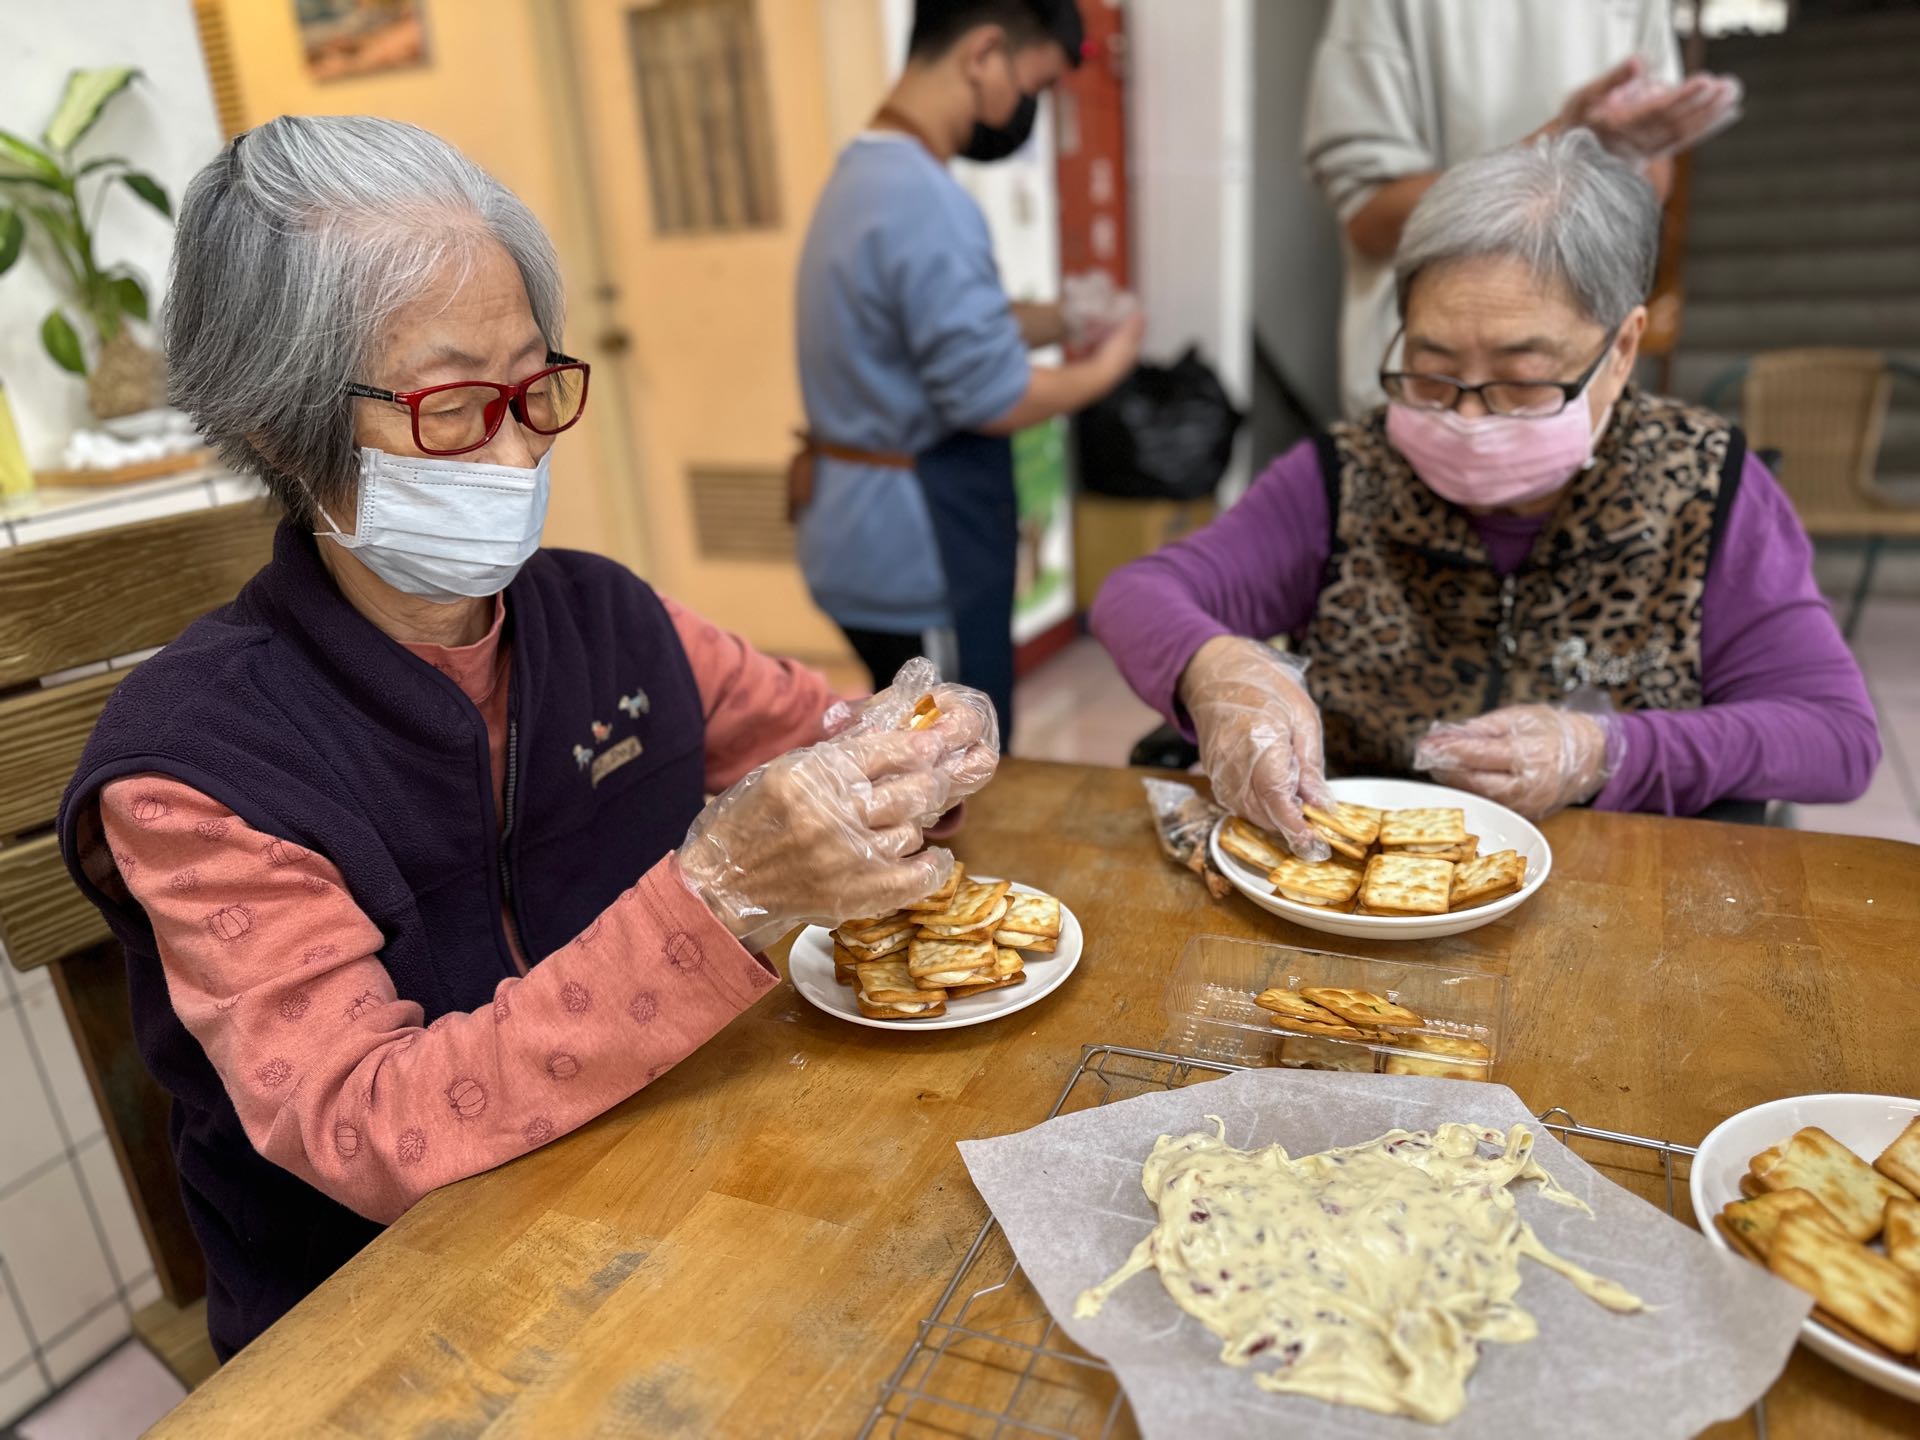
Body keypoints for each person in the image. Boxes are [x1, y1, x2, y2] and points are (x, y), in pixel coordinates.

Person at [56, 116, 999, 1360]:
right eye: (451, 407)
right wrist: (717, 895)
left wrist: (914, 749)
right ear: (285, 432)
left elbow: (821, 743)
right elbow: (372, 1127)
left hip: (664, 1194)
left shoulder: (606, 618)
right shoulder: (195, 770)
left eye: (533, 388)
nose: (514, 454)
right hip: (379, 1321)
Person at [1092, 131, 1878, 855]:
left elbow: (1835, 737)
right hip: (1367, 882)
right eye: (1431, 371)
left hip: (1628, 888)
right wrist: (1214, 667)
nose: (1467, 416)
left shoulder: (1707, 487)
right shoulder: (1348, 474)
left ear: (1622, 348)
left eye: (1521, 381)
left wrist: (1607, 750)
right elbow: (1139, 592)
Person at [791, 0, 1143, 739]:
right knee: (958, 772)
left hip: (854, 530)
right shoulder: (928, 200)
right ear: (983, 55)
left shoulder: (864, 174)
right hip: (917, 553)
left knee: (908, 763)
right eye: (1035, 86)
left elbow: (932, 331)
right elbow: (995, 394)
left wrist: (1062, 317)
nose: (1028, 112)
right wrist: (1109, 366)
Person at [1303, 0, 1742, 416]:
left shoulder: (1713, 481)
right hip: (1421, 402)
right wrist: (1563, 141)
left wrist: (1619, 149)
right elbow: (1368, 216)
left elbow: (1651, 184)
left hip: (1582, 399)